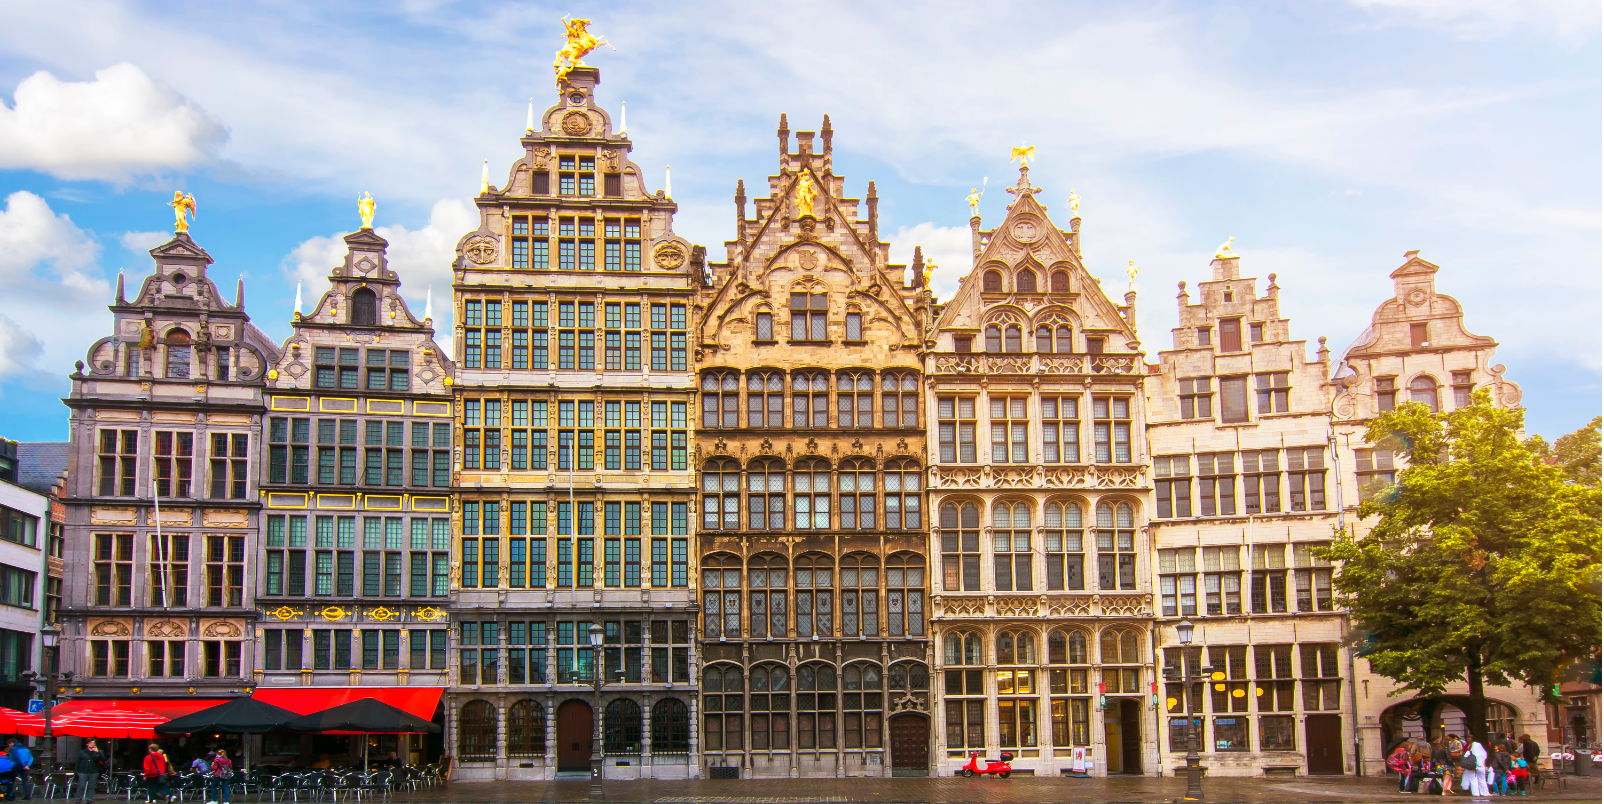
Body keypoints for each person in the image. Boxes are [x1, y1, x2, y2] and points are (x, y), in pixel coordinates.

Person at [75, 740, 105, 804]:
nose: (92, 744)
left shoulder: (98, 752)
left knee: (91, 786)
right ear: (87, 744)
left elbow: (103, 759)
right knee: (81, 786)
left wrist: (98, 752)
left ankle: (89, 799)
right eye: (91, 743)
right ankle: (78, 799)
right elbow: (78, 762)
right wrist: (76, 771)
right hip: (83, 771)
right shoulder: (82, 752)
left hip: (93, 771)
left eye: (93, 743)